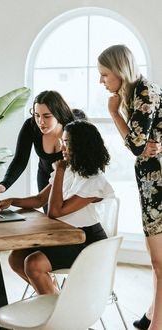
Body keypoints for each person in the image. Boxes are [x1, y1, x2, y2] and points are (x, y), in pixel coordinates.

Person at [0, 120, 114, 295]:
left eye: (67, 142)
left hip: (87, 242)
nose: (62, 146)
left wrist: (59, 171)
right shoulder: (70, 170)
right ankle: (53, 298)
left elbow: (55, 211)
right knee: (16, 258)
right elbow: (40, 200)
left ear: (81, 145)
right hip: (63, 236)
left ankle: (55, 312)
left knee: (34, 263)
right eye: (63, 141)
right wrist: (11, 200)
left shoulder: (95, 181)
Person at [98, 44, 162, 330]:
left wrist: (114, 114)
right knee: (157, 260)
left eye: (104, 74)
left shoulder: (144, 90)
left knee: (159, 262)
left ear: (120, 71)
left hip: (157, 184)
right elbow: (142, 143)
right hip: (151, 183)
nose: (101, 81)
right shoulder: (137, 93)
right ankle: (152, 314)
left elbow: (136, 145)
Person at [0, 91, 85, 212]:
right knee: (50, 219)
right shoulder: (31, 126)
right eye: (36, 115)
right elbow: (20, 160)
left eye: (46, 116)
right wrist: (4, 185)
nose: (40, 121)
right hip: (45, 179)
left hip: (70, 180)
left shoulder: (73, 130)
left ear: (58, 114)